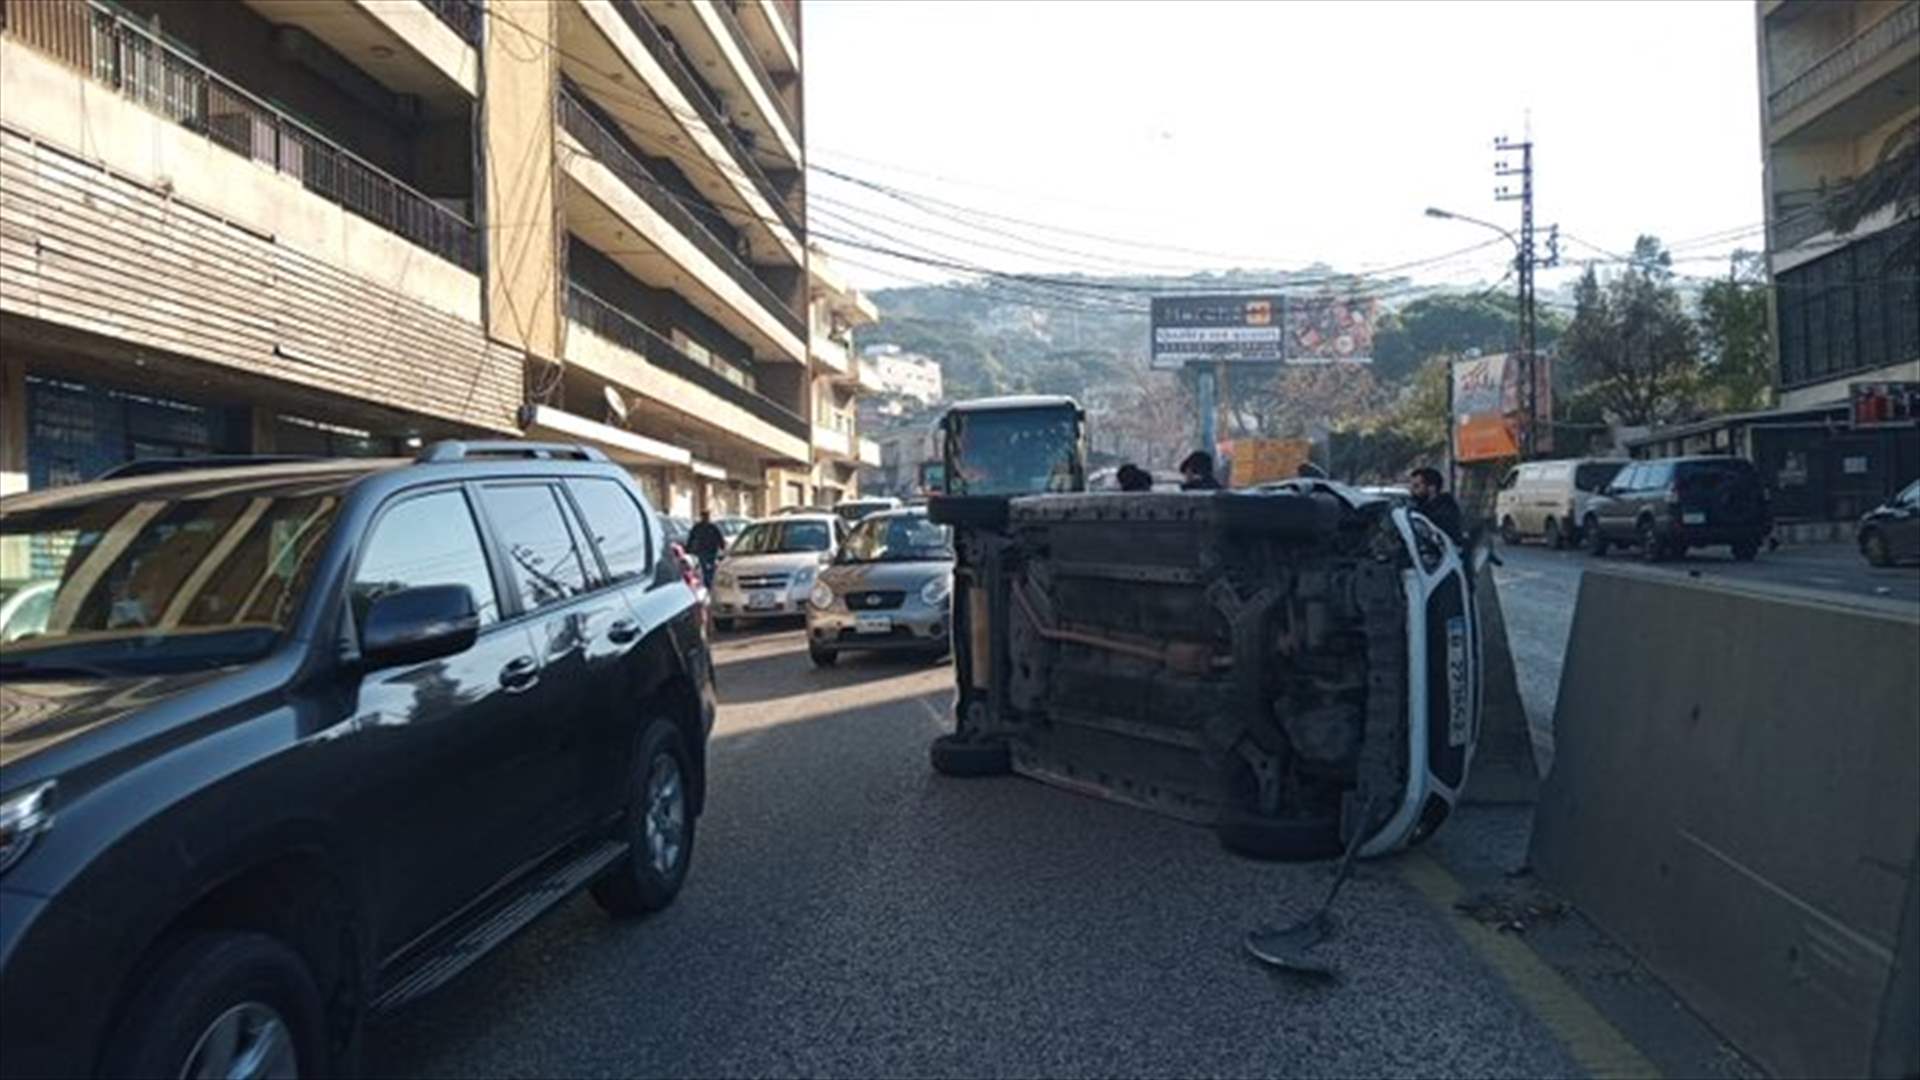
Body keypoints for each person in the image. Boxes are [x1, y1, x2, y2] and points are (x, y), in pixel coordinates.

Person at [1408, 466, 1465, 544]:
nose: (1412, 491)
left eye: (1417, 486)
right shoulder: (1420, 507)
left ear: (1432, 488)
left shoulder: (1443, 513)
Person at [686, 511, 726, 586]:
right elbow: (691, 538)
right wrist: (688, 548)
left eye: (706, 517)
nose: (705, 518)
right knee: (704, 566)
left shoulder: (713, 527)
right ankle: (708, 581)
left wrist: (722, 546)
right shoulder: (697, 527)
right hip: (702, 551)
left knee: (711, 566)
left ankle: (710, 580)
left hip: (712, 551)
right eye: (704, 517)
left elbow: (719, 537)